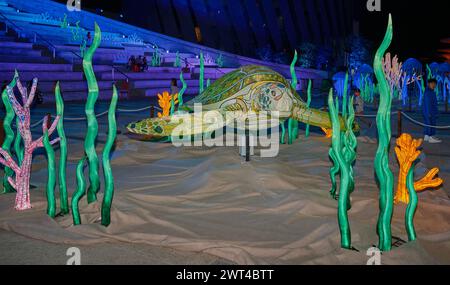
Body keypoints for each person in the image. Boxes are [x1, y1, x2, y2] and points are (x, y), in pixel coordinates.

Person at [422, 78, 441, 143]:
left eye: (435, 84)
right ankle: (431, 137)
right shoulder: (428, 92)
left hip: (430, 112)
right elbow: (427, 104)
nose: (434, 85)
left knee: (428, 124)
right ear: (429, 84)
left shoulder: (431, 92)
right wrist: (428, 113)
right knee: (430, 124)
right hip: (429, 112)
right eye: (432, 84)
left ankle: (427, 136)